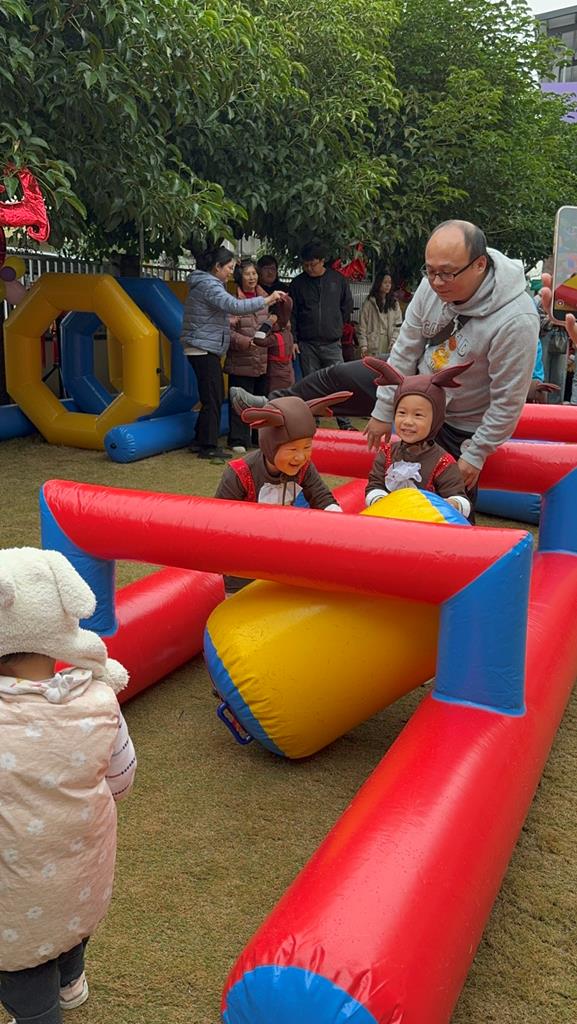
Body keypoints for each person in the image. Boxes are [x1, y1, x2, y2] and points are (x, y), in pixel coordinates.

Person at [0, 547, 136, 1024]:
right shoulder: (99, 698)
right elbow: (121, 778)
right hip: (83, 870)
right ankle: (72, 982)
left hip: (13, 893)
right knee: (71, 927)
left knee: (22, 961)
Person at [364, 220, 539, 506]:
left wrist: (475, 453)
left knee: (452, 507)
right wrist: (384, 410)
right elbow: (406, 349)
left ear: (479, 265)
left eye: (447, 273)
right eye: (430, 271)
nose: (436, 282)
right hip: (420, 402)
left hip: (464, 425)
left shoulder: (517, 319)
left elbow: (508, 399)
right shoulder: (429, 287)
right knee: (399, 495)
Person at [214, 393, 351, 594]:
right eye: (292, 449)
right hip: (244, 554)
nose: (300, 457)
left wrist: (341, 525)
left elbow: (322, 497)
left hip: (282, 546)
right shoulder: (240, 474)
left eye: (307, 447)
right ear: (270, 446)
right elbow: (218, 520)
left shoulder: (304, 468)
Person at [180, 246, 285, 462]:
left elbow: (212, 314)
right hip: (203, 348)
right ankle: (208, 446)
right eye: (229, 268)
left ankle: (199, 439)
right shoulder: (209, 285)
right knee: (213, 397)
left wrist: (226, 320)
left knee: (212, 395)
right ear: (217, 267)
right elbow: (234, 305)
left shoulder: (206, 284)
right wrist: (267, 299)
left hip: (202, 347)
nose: (231, 272)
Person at [364, 359, 472, 519]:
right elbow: (374, 485)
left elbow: (459, 497)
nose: (408, 421)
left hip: (425, 525)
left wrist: (451, 504)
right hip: (388, 520)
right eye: (402, 413)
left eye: (418, 415)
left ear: (435, 419)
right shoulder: (386, 453)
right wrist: (380, 499)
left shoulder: (443, 462)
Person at [289, 241, 354, 429]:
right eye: (306, 265)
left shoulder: (338, 280)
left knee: (339, 383)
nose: (309, 268)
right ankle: (312, 424)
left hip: (332, 343)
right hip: (307, 344)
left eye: (313, 264)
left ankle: (345, 423)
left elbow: (346, 306)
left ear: (322, 261)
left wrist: (336, 324)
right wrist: (294, 339)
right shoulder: (298, 283)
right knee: (310, 386)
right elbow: (292, 314)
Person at [224, 259, 273, 454]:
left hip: (262, 358)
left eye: (254, 273)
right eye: (247, 274)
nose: (252, 277)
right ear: (239, 277)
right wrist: (245, 341)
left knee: (260, 400)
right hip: (240, 359)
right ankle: (237, 438)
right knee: (239, 400)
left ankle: (257, 436)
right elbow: (227, 331)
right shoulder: (232, 301)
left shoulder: (266, 298)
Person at [357, 270, 403, 357]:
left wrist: (394, 341)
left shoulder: (394, 303)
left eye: (389, 283)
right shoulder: (369, 302)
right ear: (378, 283)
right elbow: (362, 327)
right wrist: (363, 346)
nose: (388, 285)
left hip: (389, 344)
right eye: (385, 282)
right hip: (372, 344)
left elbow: (398, 326)